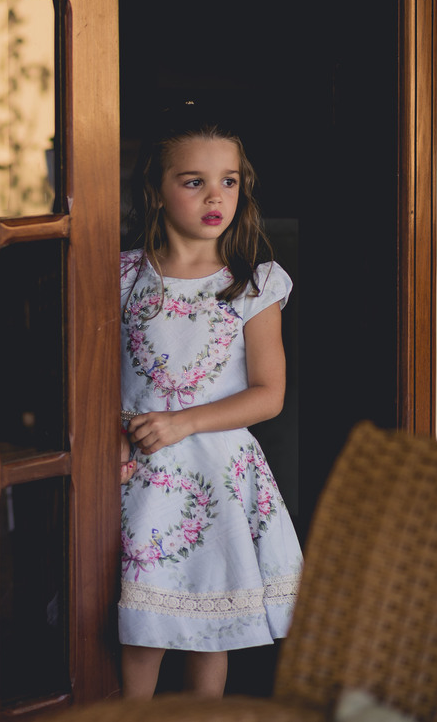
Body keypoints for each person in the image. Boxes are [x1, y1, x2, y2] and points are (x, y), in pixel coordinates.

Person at [117, 107, 302, 700]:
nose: (214, 194)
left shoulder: (252, 283)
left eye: (229, 180)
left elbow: (269, 396)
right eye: (193, 181)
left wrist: (181, 422)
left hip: (215, 474)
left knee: (208, 625)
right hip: (138, 468)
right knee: (140, 624)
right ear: (155, 189)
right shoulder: (120, 277)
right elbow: (93, 380)